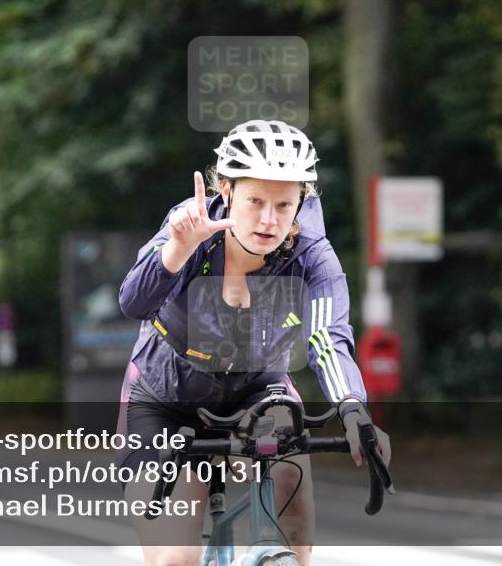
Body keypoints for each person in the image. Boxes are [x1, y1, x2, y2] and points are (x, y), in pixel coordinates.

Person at [116, 120, 392, 566]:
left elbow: (326, 336)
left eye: (284, 205)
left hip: (257, 389)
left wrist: (353, 407)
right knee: (175, 559)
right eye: (255, 201)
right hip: (165, 397)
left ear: (301, 201)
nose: (269, 220)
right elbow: (133, 301)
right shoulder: (191, 228)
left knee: (288, 465)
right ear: (225, 190)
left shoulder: (311, 255)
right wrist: (177, 250)